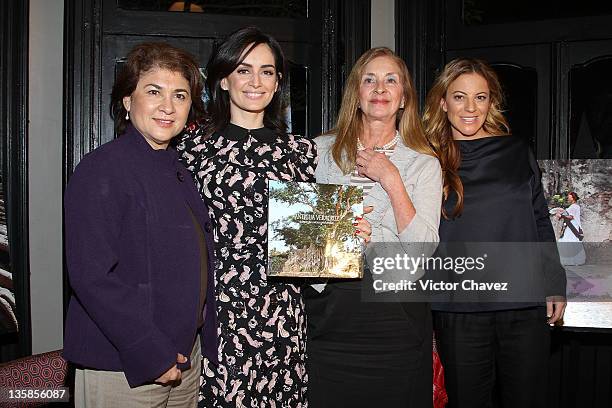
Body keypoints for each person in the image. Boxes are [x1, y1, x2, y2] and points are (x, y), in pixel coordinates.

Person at [63, 42, 218, 407]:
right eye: (154, 91)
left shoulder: (179, 170)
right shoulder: (103, 168)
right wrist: (149, 351)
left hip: (183, 361)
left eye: (180, 95)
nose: (168, 106)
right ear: (128, 102)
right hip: (126, 364)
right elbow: (91, 276)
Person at [177, 27, 316, 407]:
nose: (256, 81)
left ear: (278, 83)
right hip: (216, 310)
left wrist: (343, 233)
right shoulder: (192, 148)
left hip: (283, 311)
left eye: (267, 71)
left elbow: (309, 241)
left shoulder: (301, 153)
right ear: (223, 79)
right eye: (243, 70)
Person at [423, 57, 567, 408]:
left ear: (491, 102)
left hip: (523, 302)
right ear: (443, 102)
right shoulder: (427, 158)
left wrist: (554, 282)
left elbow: (539, 220)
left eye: (481, 97)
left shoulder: (516, 150)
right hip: (459, 305)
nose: (470, 108)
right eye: (459, 97)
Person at [303, 47, 443, 407]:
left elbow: (422, 251)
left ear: (403, 98)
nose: (380, 88)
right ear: (357, 94)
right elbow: (301, 241)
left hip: (397, 315)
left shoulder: (424, 164)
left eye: (390, 80)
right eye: (370, 79)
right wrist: (340, 239)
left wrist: (392, 180)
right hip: (331, 314)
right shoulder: (317, 152)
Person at [557, 191, 586, 265]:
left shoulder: (574, 206)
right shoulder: (574, 206)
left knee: (569, 241)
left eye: (569, 197)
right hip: (571, 225)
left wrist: (562, 216)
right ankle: (573, 260)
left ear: (573, 198)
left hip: (572, 226)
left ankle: (571, 260)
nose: (568, 198)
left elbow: (571, 217)